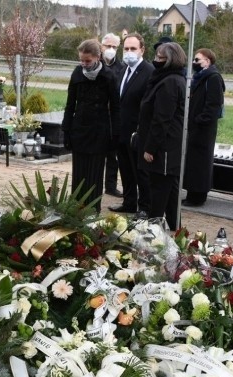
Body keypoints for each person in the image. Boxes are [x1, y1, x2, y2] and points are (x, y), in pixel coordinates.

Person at [62, 39, 120, 211]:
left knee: (94, 176)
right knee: (79, 175)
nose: (84, 64)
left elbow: (116, 107)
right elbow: (70, 104)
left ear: (97, 57)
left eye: (87, 61)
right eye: (81, 60)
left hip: (99, 132)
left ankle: (93, 210)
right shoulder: (77, 74)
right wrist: (66, 131)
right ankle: (76, 210)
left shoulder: (108, 76)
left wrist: (115, 135)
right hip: (79, 130)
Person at [135, 42, 188, 230]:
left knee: (159, 192)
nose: (155, 60)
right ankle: (175, 228)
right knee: (170, 191)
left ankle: (154, 230)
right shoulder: (165, 79)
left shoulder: (171, 82)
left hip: (164, 148)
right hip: (166, 146)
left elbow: (161, 119)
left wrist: (150, 148)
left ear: (170, 61)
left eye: (160, 58)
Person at [109, 33, 153, 216]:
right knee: (125, 169)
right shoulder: (122, 70)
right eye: (126, 49)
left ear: (142, 50)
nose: (129, 52)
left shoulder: (149, 72)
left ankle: (144, 207)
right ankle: (129, 202)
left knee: (140, 171)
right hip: (121, 130)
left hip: (137, 131)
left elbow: (148, 105)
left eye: (133, 49)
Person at [183, 48, 225, 207]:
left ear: (207, 61)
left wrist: (199, 120)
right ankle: (192, 193)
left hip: (204, 128)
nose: (194, 63)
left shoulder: (212, 78)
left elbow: (213, 104)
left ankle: (198, 196)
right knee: (193, 161)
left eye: (198, 60)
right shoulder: (201, 77)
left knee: (200, 162)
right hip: (195, 126)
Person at [101, 32, 125, 198]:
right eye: (108, 46)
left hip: (114, 116)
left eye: (114, 47)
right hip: (97, 114)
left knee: (113, 155)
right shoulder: (95, 64)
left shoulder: (121, 68)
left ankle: (110, 185)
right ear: (101, 46)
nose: (111, 49)